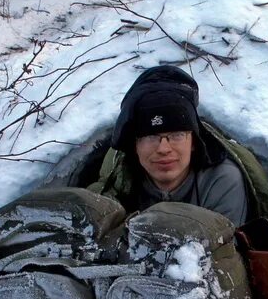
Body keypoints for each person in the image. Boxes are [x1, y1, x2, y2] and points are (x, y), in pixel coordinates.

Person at [104, 66, 249, 226]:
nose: (163, 149)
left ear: (194, 141)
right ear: (135, 146)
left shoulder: (221, 181)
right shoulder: (118, 181)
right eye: (151, 136)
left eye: (177, 135)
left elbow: (225, 247)